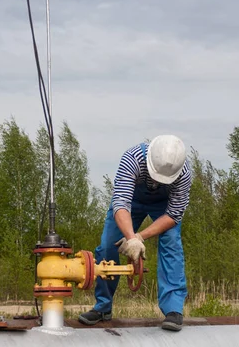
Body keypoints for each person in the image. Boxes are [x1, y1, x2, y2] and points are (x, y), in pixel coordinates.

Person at [79, 135, 191, 331]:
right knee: (108, 244)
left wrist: (140, 237)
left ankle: (173, 309)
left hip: (164, 207)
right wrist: (131, 237)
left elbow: (173, 214)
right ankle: (103, 307)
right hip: (132, 202)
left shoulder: (183, 172)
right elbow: (121, 203)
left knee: (172, 242)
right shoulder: (133, 158)